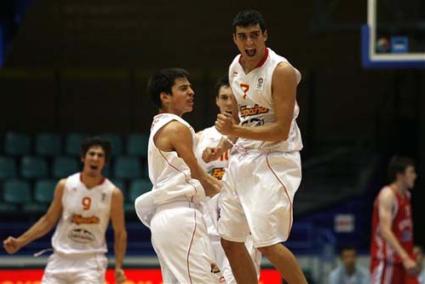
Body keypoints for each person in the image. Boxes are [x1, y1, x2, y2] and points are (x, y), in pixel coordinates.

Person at [212, 9, 307, 284]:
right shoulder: (234, 67)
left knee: (267, 244)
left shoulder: (282, 70)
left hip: (275, 158)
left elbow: (279, 130)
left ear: (265, 35)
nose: (249, 43)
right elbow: (244, 120)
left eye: (254, 35)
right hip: (244, 155)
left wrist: (235, 131)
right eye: (243, 37)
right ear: (235, 39)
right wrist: (226, 141)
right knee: (230, 241)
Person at [134, 68, 222, 283]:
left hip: (168, 218)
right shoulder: (177, 127)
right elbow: (199, 175)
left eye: (191, 87)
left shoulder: (159, 125)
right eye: (183, 88)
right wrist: (232, 194)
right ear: (165, 97)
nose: (192, 92)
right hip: (181, 216)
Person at [3, 137, 127, 284]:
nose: (95, 158)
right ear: (83, 158)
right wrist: (19, 242)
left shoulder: (113, 193)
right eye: (91, 154)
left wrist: (119, 266)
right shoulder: (65, 185)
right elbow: (47, 221)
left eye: (100, 156)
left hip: (90, 263)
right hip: (60, 260)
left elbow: (120, 233)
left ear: (105, 162)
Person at [195, 75, 261, 283]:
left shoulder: (253, 135)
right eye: (224, 97)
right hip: (209, 227)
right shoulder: (199, 138)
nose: (229, 103)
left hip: (243, 227)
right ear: (216, 101)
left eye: (233, 97)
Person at [370, 156, 419, 283]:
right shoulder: (388, 195)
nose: (415, 176)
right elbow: (385, 231)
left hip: (404, 264)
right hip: (387, 262)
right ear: (400, 175)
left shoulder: (407, 196)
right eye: (411, 172)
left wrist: (410, 256)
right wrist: (405, 257)